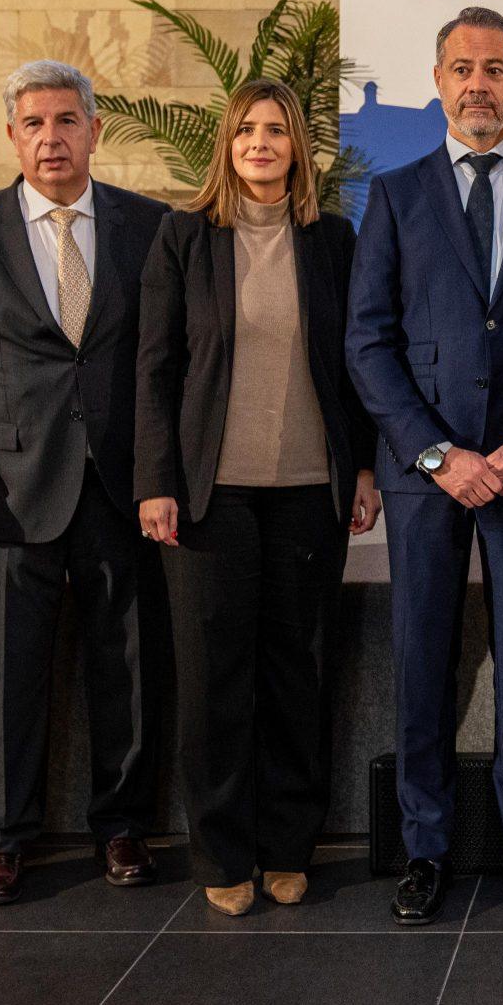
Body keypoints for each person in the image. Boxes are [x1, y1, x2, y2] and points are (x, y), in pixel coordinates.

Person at [346, 8, 503, 926]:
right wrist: (438, 452)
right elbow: (368, 343)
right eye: (462, 68)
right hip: (425, 474)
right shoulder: (395, 195)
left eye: (495, 68)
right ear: (438, 81)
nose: (478, 83)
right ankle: (425, 846)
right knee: (422, 660)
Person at [0, 59, 169, 906]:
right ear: (12, 136)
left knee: (127, 664)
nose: (51, 138)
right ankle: (0, 839)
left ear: (94, 129)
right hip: (3, 490)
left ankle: (122, 824)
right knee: (4, 672)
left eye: (65, 121)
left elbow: (167, 365)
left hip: (122, 486)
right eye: (33, 123)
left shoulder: (150, 226)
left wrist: (163, 474)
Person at [139, 78, 378, 917]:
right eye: (246, 130)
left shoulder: (332, 240)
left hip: (311, 489)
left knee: (297, 674)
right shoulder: (184, 237)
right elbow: (155, 369)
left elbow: (357, 363)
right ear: (227, 145)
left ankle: (287, 846)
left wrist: (363, 467)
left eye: (275, 130)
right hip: (211, 495)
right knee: (214, 680)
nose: (261, 143)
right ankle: (221, 852)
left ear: (297, 147)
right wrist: (156, 482)